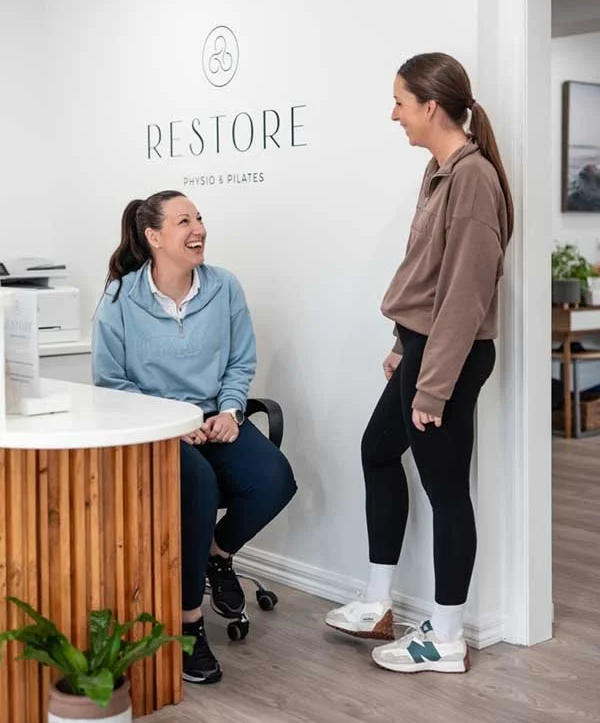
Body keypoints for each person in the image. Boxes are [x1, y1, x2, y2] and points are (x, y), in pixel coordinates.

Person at [325, 53, 513, 674]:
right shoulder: (439, 173)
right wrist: (403, 344)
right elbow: (427, 278)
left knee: (446, 491)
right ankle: (379, 601)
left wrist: (430, 388)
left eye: (400, 102)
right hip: (422, 348)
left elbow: (465, 295)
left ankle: (449, 637)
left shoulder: (473, 178)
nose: (394, 114)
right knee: (378, 451)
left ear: (431, 107)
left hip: (447, 358)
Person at [92, 190, 297, 685]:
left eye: (199, 218)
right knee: (198, 487)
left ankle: (216, 555)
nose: (198, 229)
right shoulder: (121, 298)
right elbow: (110, 382)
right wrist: (169, 422)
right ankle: (188, 628)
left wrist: (229, 410)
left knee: (276, 479)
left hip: (215, 418)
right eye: (184, 221)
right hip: (158, 428)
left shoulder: (224, 287)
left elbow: (240, 361)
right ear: (154, 237)